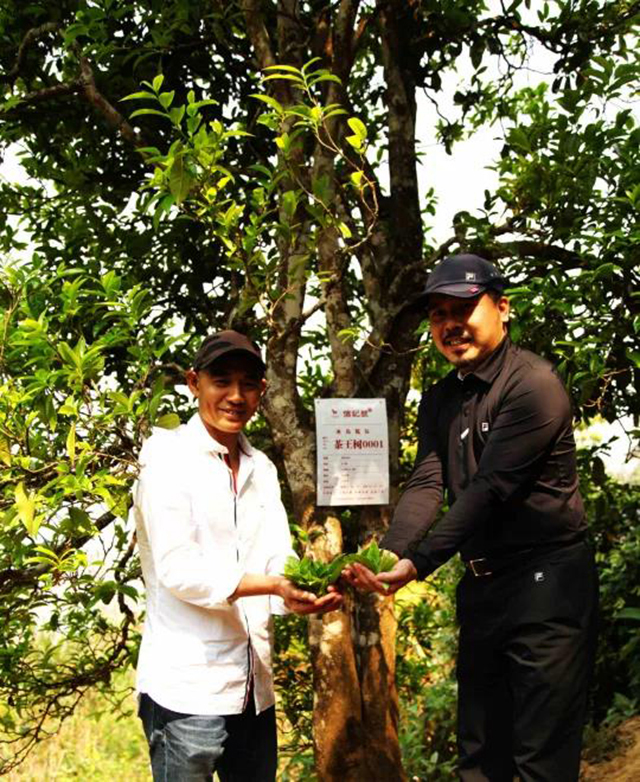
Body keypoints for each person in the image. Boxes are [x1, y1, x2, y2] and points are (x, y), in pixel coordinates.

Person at [344, 255, 598, 781]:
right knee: (481, 761)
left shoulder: (534, 385)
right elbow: (427, 482)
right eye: (438, 314)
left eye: (463, 307)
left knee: (539, 764)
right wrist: (391, 552)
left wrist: (418, 564)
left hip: (546, 592)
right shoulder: (441, 397)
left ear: (502, 308)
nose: (450, 324)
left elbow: (490, 489)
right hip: (483, 592)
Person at [132, 330, 341, 781]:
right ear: (194, 382)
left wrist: (299, 592)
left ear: (263, 390)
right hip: (187, 693)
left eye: (248, 384)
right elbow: (179, 569)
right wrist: (273, 585)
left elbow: (276, 558)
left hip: (252, 692)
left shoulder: (260, 468)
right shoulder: (166, 458)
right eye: (221, 381)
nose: (235, 396)